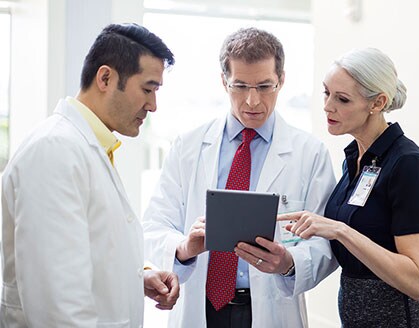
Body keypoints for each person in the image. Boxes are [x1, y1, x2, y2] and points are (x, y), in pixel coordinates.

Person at [143, 27, 338, 328]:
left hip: (272, 308)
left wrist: (289, 264)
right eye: (240, 86)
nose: (252, 101)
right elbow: (155, 224)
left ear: (281, 80)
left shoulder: (309, 154)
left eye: (264, 86)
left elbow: (327, 242)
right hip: (202, 307)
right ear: (224, 82)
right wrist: (184, 248)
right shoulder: (188, 146)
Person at [1, 23, 180, 327]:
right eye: (148, 89)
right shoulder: (54, 151)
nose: (153, 105)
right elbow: (57, 304)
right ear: (106, 78)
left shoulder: (89, 146)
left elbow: (89, 250)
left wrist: (138, 274)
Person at [278, 47, 419, 327]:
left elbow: (418, 280)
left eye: (342, 99)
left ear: (377, 103)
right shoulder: (356, 159)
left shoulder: (407, 164)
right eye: (326, 93)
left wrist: (340, 230)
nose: (328, 106)